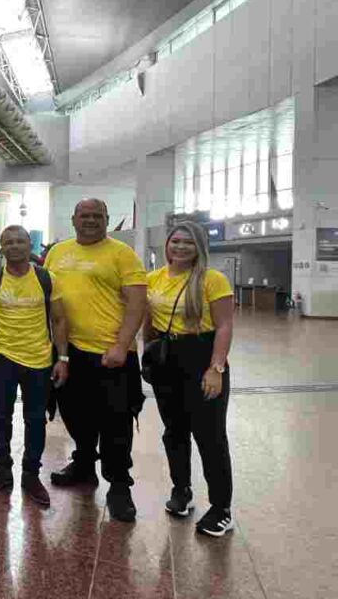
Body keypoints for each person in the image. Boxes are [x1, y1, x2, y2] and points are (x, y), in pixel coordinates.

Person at [43, 199, 148, 522]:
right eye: (84, 216)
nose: (90, 221)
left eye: (97, 216)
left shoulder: (122, 254)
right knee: (74, 414)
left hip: (111, 355)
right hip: (68, 352)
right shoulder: (58, 252)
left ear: (106, 219)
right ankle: (85, 464)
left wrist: (122, 345)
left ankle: (119, 485)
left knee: (116, 422)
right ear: (73, 219)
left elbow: (137, 304)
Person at [145, 222, 235, 537]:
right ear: (167, 244)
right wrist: (148, 355)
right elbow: (149, 322)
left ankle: (221, 508)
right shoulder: (152, 279)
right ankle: (181, 491)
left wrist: (216, 368)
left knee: (210, 437)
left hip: (202, 357)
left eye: (188, 243)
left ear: (199, 248)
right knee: (175, 431)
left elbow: (224, 326)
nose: (180, 247)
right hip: (168, 360)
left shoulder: (212, 280)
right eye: (176, 241)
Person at [0, 225, 69, 507]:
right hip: (1, 359)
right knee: (0, 416)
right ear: (2, 248)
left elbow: (60, 321)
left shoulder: (47, 279)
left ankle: (31, 474)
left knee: (35, 419)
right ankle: (2, 470)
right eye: (9, 242)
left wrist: (62, 359)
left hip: (38, 361)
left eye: (20, 241)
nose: (15, 246)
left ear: (30, 246)